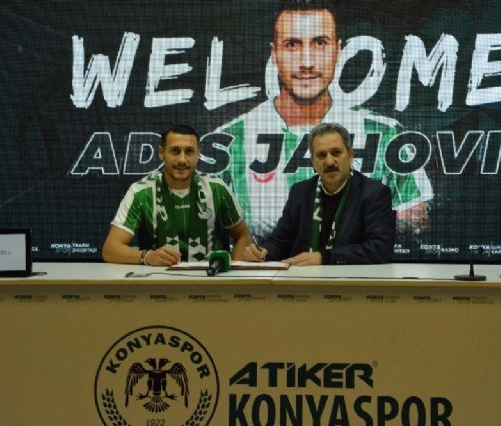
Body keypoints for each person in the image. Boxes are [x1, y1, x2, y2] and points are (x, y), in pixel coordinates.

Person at [209, 0, 433, 237]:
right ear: (274, 54)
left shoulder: (384, 133)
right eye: (292, 44)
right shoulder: (228, 141)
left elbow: (417, 218)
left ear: (337, 51)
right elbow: (204, 225)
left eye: (319, 43)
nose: (307, 62)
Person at [242, 122, 395, 265]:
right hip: (302, 280)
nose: (329, 162)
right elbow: (280, 241)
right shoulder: (300, 192)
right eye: (321, 155)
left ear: (350, 156)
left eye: (336, 153)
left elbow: (380, 249)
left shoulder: (374, 194)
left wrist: (324, 258)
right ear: (313, 162)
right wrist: (263, 252)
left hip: (350, 280)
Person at [102, 124, 251, 266]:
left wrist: (236, 263)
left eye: (189, 151)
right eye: (175, 151)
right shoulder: (140, 191)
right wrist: (146, 257)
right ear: (161, 153)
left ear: (198, 154)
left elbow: (243, 236)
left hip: (210, 276)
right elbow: (110, 249)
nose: (182, 160)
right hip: (158, 277)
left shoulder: (218, 189)